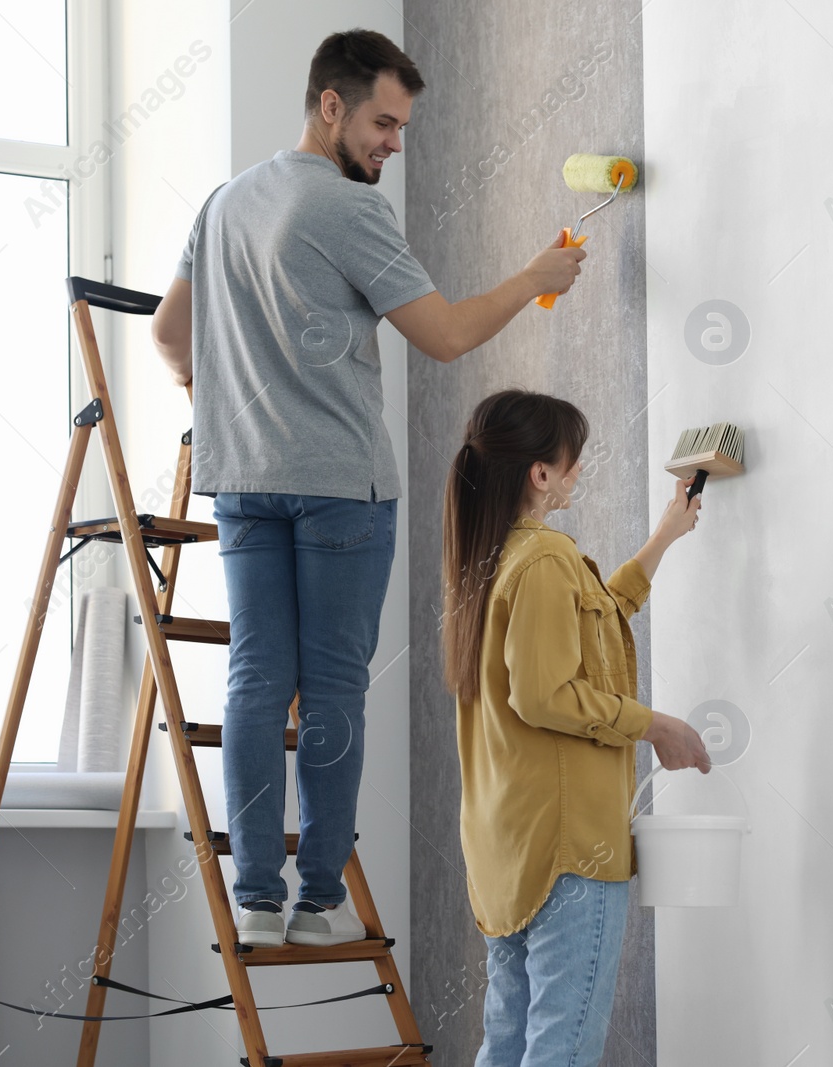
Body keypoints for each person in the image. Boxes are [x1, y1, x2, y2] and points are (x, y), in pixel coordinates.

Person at [149, 29, 589, 948]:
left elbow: (167, 336)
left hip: (241, 483)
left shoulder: (224, 203)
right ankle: (317, 900)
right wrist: (537, 278)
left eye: (403, 126)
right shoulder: (348, 211)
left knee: (256, 681)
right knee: (337, 689)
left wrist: (222, 400)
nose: (394, 142)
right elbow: (445, 335)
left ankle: (255, 896)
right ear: (331, 106)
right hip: (340, 489)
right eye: (384, 123)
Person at [440, 389, 712, 1065]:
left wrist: (664, 536)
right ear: (540, 473)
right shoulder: (544, 558)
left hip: (509, 848)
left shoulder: (490, 561)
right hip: (569, 848)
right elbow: (545, 692)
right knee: (560, 1050)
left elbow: (592, 620)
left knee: (506, 1043)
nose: (579, 470)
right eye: (573, 459)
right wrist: (654, 726)